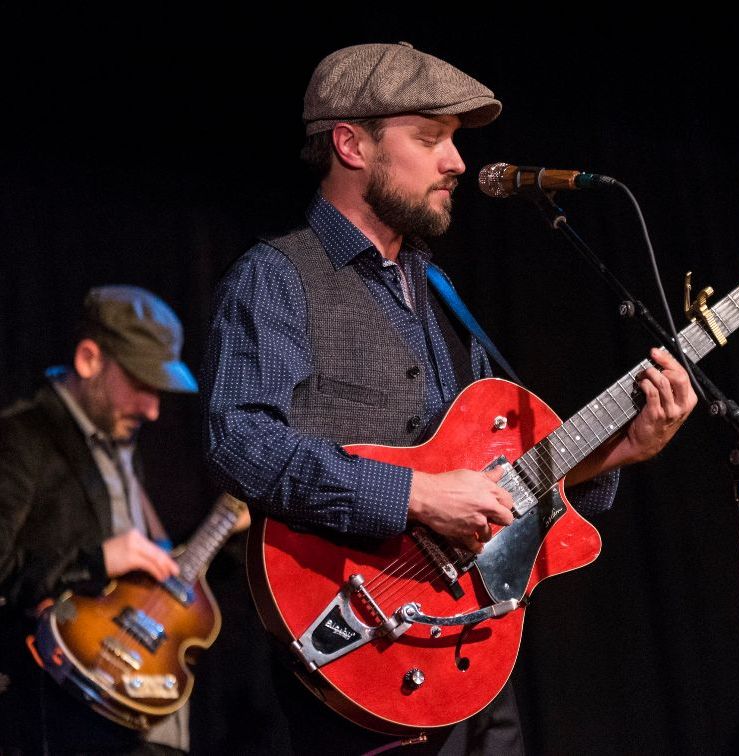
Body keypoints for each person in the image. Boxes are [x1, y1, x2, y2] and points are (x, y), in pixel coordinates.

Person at [202, 42, 696, 754]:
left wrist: (623, 449)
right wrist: (415, 495)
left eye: (455, 142)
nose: (456, 162)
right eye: (430, 138)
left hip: (469, 654)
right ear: (351, 144)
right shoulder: (277, 278)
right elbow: (239, 443)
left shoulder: (436, 291)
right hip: (359, 649)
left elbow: (505, 480)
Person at [0, 285, 199, 754]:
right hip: (58, 720)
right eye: (142, 384)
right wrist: (96, 560)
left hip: (139, 717)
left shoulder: (119, 442)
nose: (153, 409)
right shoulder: (22, 438)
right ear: (90, 360)